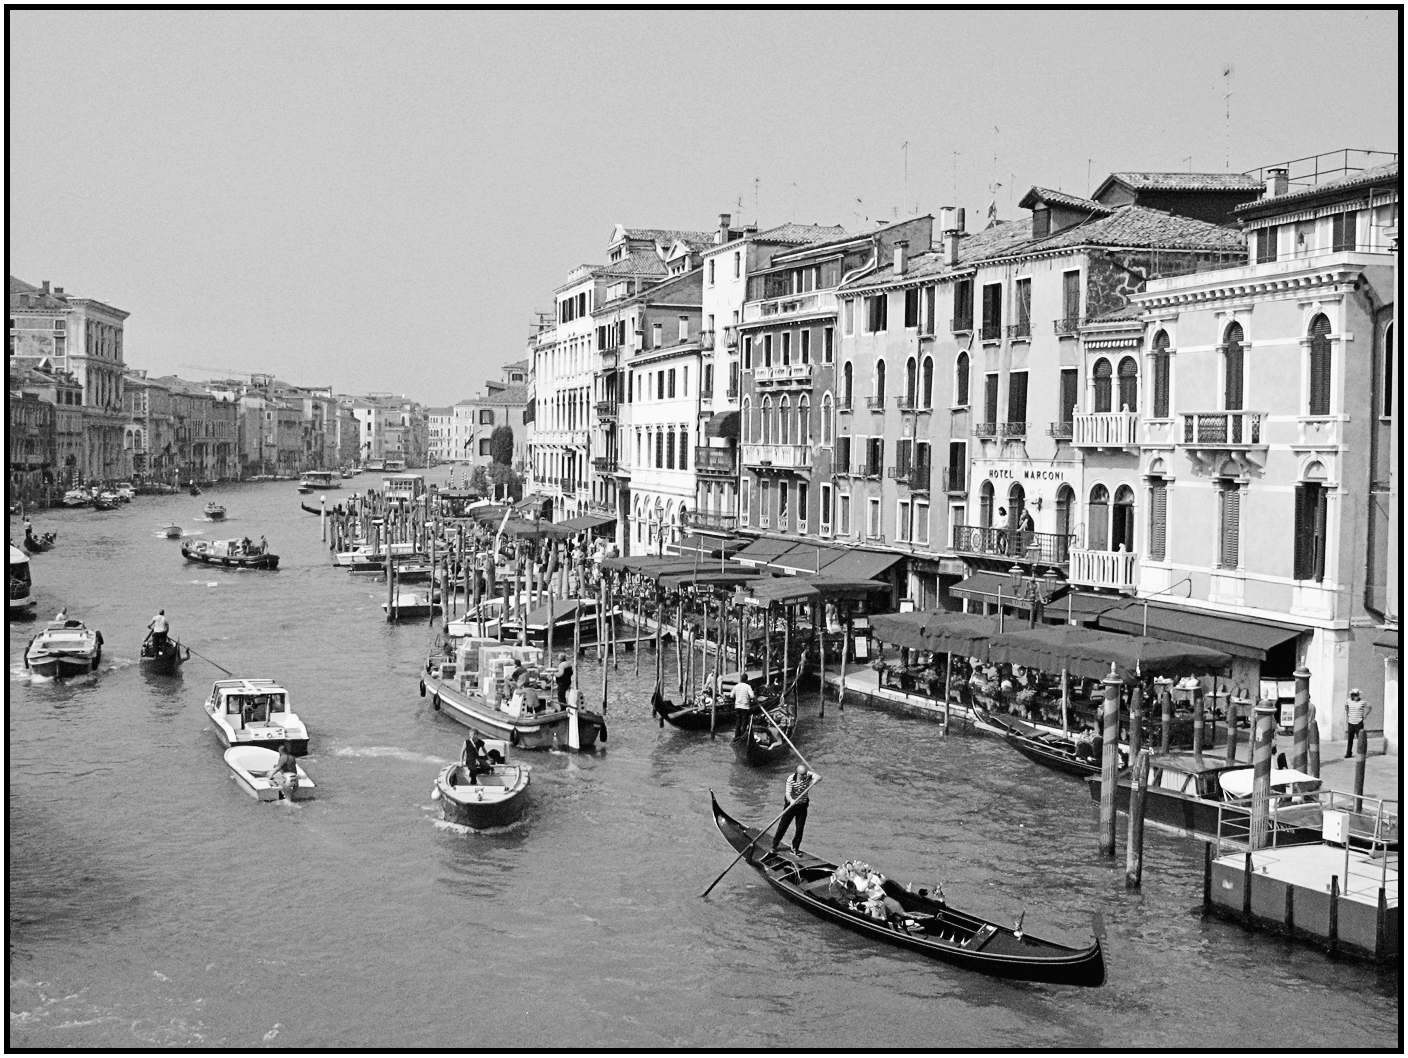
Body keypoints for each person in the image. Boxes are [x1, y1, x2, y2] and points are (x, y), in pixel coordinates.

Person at [771, 763, 817, 853]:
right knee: (783, 826)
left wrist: (816, 779)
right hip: (791, 806)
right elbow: (788, 795)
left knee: (800, 828)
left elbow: (818, 777)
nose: (805, 776)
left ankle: (795, 848)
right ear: (798, 773)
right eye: (803, 774)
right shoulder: (791, 779)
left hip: (802, 806)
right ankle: (774, 845)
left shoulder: (808, 775)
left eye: (805, 774)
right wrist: (792, 801)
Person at [1344, 689, 1371, 757]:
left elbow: (1369, 707)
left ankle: (1361, 752)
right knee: (1350, 738)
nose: (1355, 696)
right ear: (1352, 695)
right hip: (1351, 722)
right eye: (1354, 695)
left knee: (1360, 739)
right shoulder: (1348, 701)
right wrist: (1348, 713)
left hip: (1358, 722)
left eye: (1356, 695)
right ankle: (1348, 752)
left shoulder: (1362, 702)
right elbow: (1346, 706)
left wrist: (1365, 714)